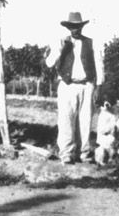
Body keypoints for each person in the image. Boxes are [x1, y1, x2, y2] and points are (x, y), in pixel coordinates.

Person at [44, 12, 103, 164]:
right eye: (72, 27)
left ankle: (84, 153)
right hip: (67, 85)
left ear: (82, 27)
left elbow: (98, 64)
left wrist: (99, 85)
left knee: (85, 120)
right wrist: (60, 49)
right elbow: (49, 63)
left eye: (78, 26)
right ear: (68, 27)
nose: (75, 29)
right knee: (66, 119)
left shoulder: (90, 42)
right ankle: (66, 153)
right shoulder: (62, 42)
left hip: (86, 84)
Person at [94, 85, 119, 166]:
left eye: (109, 100)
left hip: (113, 143)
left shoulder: (114, 114)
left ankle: (118, 161)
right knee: (100, 151)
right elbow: (102, 130)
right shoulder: (102, 115)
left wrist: (117, 126)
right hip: (104, 145)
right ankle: (102, 162)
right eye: (104, 101)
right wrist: (112, 128)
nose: (106, 103)